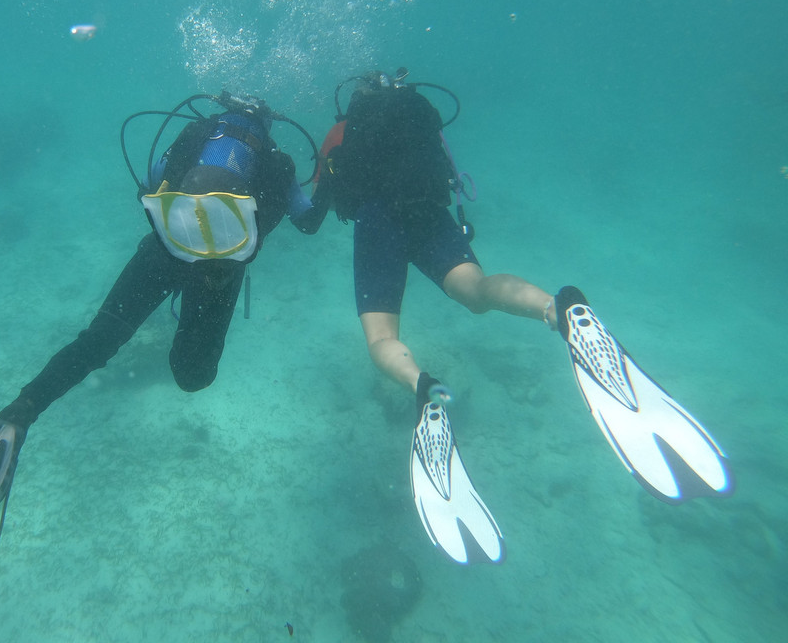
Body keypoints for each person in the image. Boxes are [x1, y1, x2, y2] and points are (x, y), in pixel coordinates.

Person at [0, 91, 325, 641]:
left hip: (163, 252)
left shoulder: (192, 136)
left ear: (221, 114)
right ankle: (184, 327)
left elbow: (150, 183)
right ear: (267, 126)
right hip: (218, 274)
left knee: (97, 341)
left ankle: (19, 413)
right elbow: (308, 221)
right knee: (192, 376)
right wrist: (332, 177)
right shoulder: (279, 165)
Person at [307, 68, 734, 566]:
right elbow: (449, 176)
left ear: (354, 101)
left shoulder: (342, 132)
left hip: (377, 224)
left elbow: (317, 207)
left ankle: (424, 388)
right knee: (476, 289)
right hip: (429, 214)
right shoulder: (418, 118)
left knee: (382, 338)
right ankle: (561, 308)